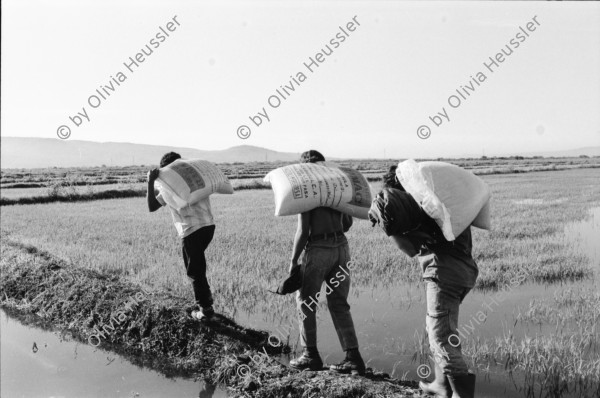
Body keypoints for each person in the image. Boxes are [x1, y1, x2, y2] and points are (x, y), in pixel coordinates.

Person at [370, 166, 477, 398]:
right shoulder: (439, 201)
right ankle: (441, 385)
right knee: (439, 330)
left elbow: (410, 250)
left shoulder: (413, 208)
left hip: (443, 274)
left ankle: (461, 395)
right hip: (464, 270)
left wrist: (387, 220)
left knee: (440, 339)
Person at [288, 150, 366, 375]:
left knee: (306, 301)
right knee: (339, 302)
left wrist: (293, 261)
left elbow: (303, 231)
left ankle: (310, 355)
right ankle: (353, 358)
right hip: (342, 250)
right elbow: (348, 223)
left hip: (319, 251)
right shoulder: (337, 187)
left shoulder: (307, 191)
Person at [146, 152, 217, 321]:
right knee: (197, 266)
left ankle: (205, 310)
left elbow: (151, 206)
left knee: (195, 270)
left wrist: (150, 182)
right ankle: (203, 303)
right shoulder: (197, 179)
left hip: (191, 230)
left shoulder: (170, 187)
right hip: (208, 227)